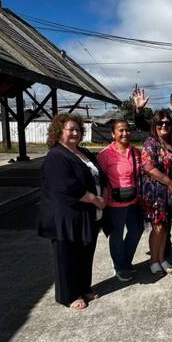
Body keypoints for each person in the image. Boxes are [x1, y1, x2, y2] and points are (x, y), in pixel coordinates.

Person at [38, 114, 105, 310]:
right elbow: (67, 186)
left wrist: (104, 195)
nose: (75, 133)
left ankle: (84, 286)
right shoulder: (56, 155)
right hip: (65, 215)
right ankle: (68, 295)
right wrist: (95, 199)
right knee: (67, 255)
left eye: (78, 129)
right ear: (59, 132)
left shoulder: (83, 152)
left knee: (85, 252)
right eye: (70, 129)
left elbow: (100, 175)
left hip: (86, 214)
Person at [97, 118, 144, 283]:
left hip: (134, 201)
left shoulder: (135, 152)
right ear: (113, 134)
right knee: (116, 236)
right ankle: (120, 266)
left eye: (127, 130)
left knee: (137, 231)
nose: (125, 133)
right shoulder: (104, 155)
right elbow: (100, 180)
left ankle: (126, 261)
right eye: (120, 130)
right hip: (114, 203)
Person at [140, 109, 172, 276]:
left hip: (170, 193)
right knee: (157, 227)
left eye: (167, 123)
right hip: (155, 192)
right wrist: (170, 182)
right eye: (160, 123)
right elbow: (148, 167)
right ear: (155, 125)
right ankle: (153, 260)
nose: (164, 125)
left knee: (165, 226)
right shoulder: (151, 142)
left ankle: (161, 257)